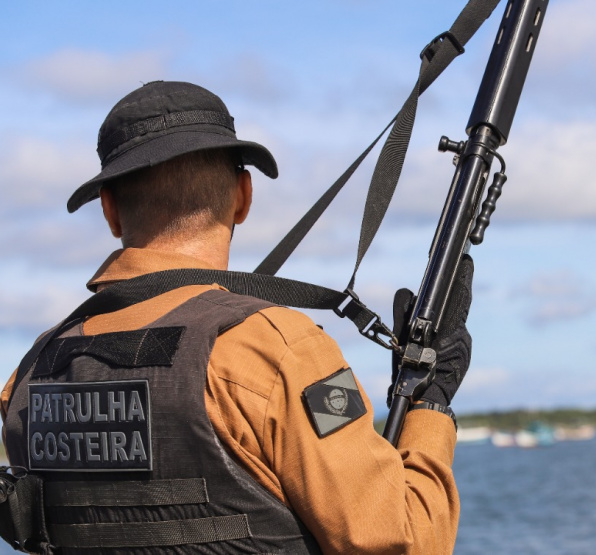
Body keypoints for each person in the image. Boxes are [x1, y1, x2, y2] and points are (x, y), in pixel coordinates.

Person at [0, 80, 473, 554]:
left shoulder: (31, 372)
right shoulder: (277, 349)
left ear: (110, 212)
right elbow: (402, 542)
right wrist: (431, 404)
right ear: (244, 195)